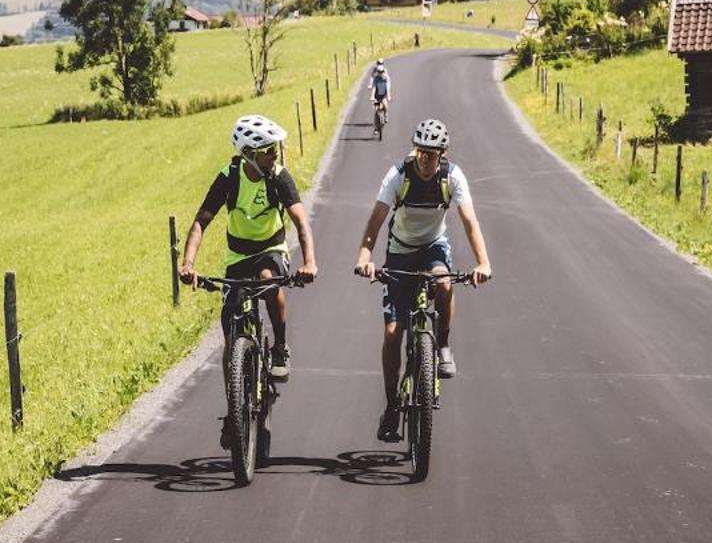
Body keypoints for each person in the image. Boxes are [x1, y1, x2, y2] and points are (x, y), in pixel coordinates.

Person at [352, 116, 492, 442]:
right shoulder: (398, 175)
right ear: (415, 150)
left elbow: (469, 221)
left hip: (433, 245)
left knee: (443, 282)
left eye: (433, 153)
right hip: (400, 248)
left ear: (443, 153)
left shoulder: (452, 177)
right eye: (421, 152)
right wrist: (364, 257)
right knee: (392, 331)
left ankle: (442, 344)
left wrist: (483, 262)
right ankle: (391, 407)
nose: (426, 159)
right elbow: (376, 218)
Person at [179, 115, 318, 383]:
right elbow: (201, 222)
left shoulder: (278, 177)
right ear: (248, 154)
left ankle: (279, 348)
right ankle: (235, 401)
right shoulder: (229, 177)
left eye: (274, 148)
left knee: (268, 280)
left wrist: (309, 261)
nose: (274, 155)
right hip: (238, 254)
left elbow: (301, 222)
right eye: (268, 150)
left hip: (272, 248)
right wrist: (188, 264)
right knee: (230, 324)